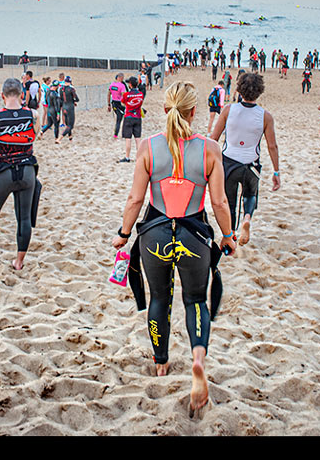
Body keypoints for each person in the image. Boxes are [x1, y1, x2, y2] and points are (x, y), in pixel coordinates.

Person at [111, 80, 236, 413]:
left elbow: (136, 198)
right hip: (194, 235)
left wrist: (123, 234)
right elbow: (220, 201)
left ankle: (161, 362)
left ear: (165, 109)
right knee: (195, 299)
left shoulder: (149, 147)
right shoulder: (209, 148)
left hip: (155, 235)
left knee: (160, 298)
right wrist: (228, 236)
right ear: (194, 112)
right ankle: (197, 357)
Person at [210, 72, 280, 246]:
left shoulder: (228, 110)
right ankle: (247, 218)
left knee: (230, 201)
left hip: (229, 161)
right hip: (252, 164)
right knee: (250, 195)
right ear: (259, 91)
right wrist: (276, 171)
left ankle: (231, 235)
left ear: (239, 89)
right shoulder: (265, 116)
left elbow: (213, 139)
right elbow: (272, 146)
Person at [0, 78, 39, 271]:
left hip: (3, 171)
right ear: (23, 95)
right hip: (27, 171)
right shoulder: (34, 115)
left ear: (3, 96)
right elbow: (34, 135)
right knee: (24, 218)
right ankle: (19, 262)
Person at [118, 76, 145, 163]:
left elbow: (122, 103)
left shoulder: (126, 95)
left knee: (128, 138)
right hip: (137, 117)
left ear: (130, 84)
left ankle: (127, 157)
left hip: (128, 117)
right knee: (138, 138)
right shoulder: (141, 94)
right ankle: (139, 157)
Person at [58, 75, 79, 142]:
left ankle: (70, 137)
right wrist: (74, 101)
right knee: (70, 125)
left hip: (64, 107)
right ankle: (60, 138)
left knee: (67, 124)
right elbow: (77, 99)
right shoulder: (71, 89)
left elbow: (60, 99)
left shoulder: (61, 88)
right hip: (70, 107)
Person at [109, 73, 127, 139]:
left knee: (118, 119)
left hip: (114, 103)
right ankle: (118, 134)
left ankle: (116, 134)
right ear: (121, 78)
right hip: (120, 104)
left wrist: (108, 104)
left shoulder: (112, 85)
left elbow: (108, 94)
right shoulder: (122, 86)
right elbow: (123, 96)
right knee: (120, 120)